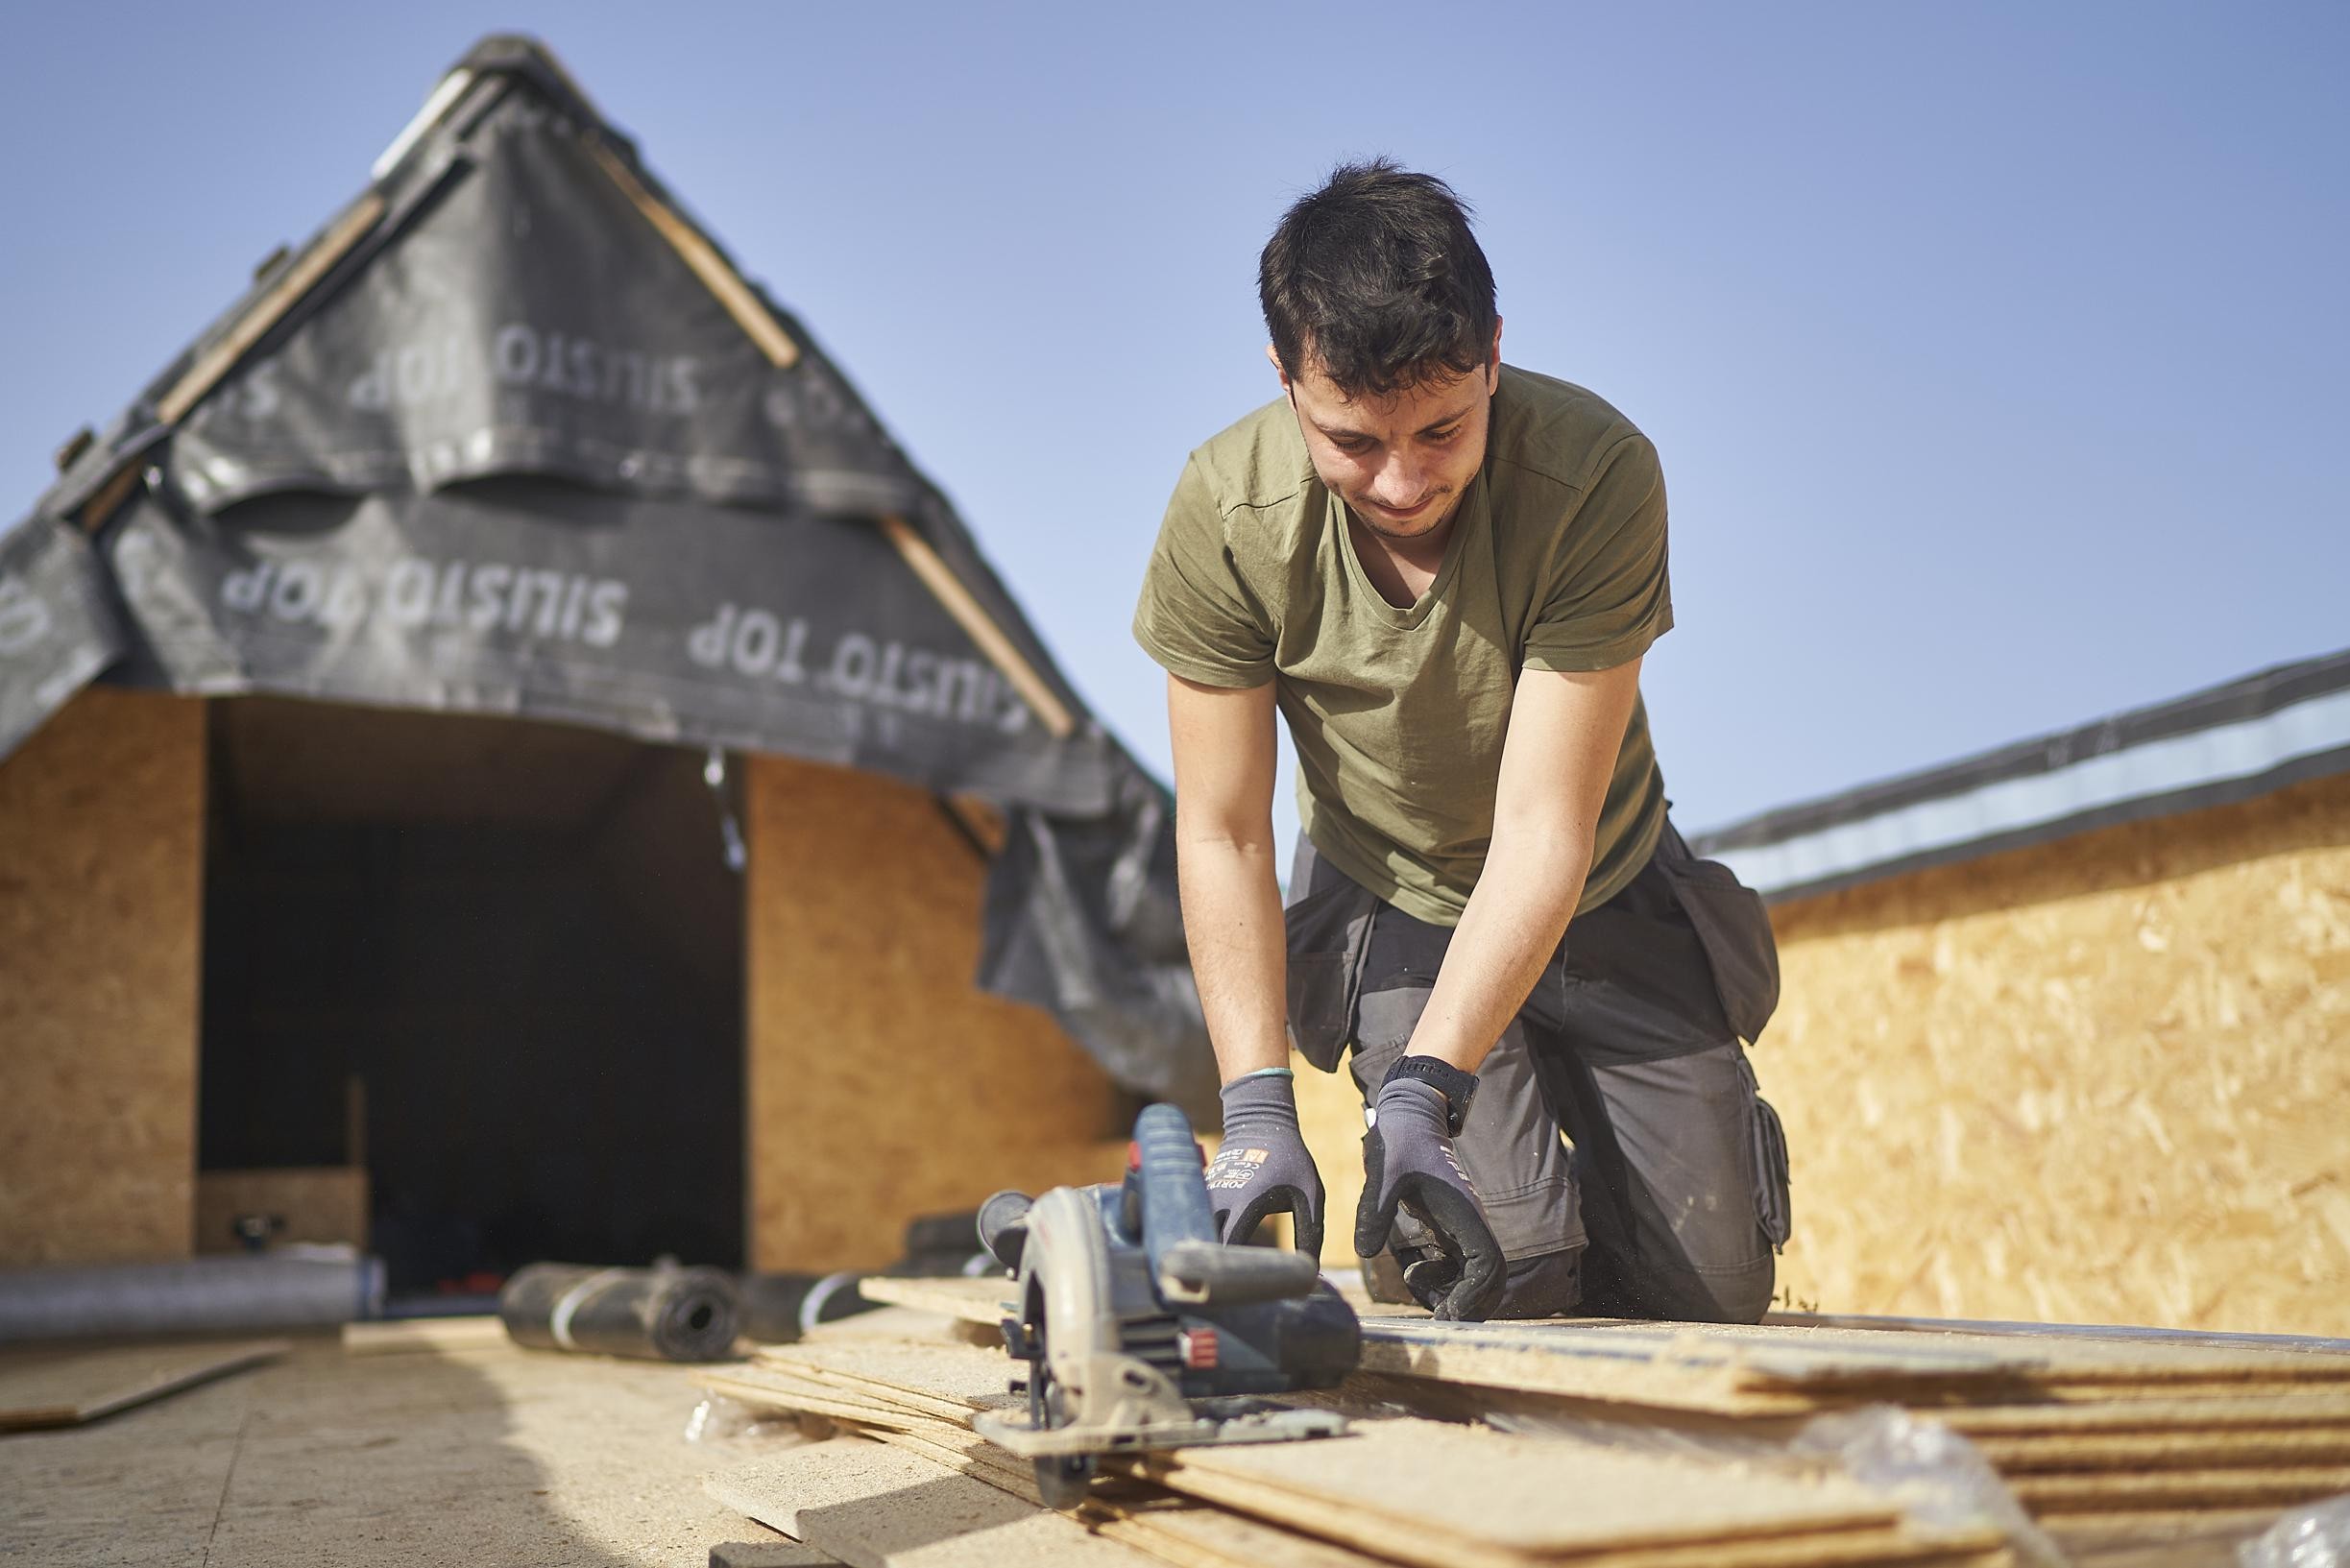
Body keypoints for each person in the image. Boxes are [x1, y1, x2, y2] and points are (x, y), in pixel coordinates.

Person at [1131, 159, 1791, 1324]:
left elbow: (1545, 829)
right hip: (1395, 897)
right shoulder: (1224, 515)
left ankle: (1600, 1192)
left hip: (1604, 881)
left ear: (1493, 351)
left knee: (1713, 1289)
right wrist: (1253, 1113)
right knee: (1497, 1275)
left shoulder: (1594, 472)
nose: (1400, 480)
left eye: (1441, 429)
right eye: (1351, 440)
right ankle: (1532, 1212)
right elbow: (1222, 828)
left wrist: (1424, 1089)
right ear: (1285, 380)